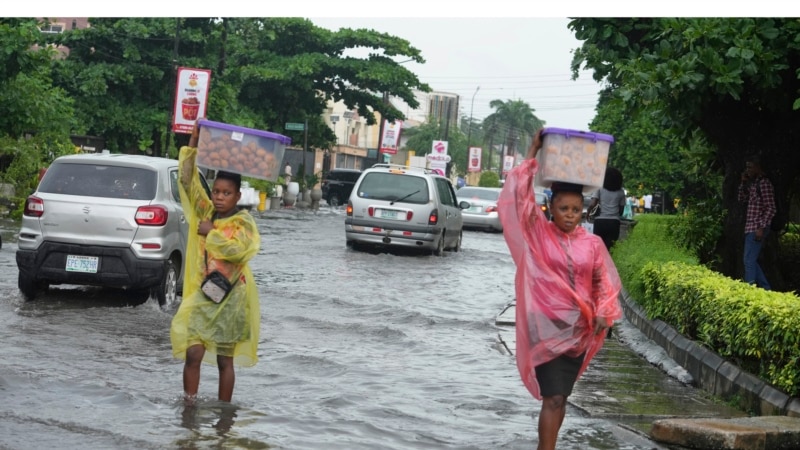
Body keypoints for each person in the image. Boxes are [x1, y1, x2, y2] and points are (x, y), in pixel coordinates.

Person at [497, 129, 622, 450]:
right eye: (564, 209)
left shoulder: (592, 244)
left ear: (584, 211)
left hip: (578, 330)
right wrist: (533, 151)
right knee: (553, 395)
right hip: (546, 326)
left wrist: (605, 310)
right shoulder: (538, 234)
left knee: (561, 395)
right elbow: (520, 198)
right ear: (551, 208)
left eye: (576, 210)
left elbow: (603, 281)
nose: (570, 216)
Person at [171, 124, 262, 404]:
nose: (219, 197)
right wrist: (194, 142)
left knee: (225, 361)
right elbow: (187, 182)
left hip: (232, 299)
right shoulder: (205, 211)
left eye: (226, 193)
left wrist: (211, 233)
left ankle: (224, 415)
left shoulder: (243, 223)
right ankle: (189, 404)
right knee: (193, 352)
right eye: (217, 192)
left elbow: (239, 252)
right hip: (203, 294)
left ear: (237, 196)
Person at [737, 154, 776, 290]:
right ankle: (767, 290)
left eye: (750, 167)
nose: (747, 170)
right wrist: (743, 182)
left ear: (758, 167)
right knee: (750, 261)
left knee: (748, 261)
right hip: (751, 227)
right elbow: (742, 199)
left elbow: (771, 208)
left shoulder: (764, 184)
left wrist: (761, 227)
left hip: (757, 227)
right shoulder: (755, 184)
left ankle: (750, 291)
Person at [588, 167, 627, 250]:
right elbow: (621, 211)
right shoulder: (621, 191)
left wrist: (588, 213)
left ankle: (599, 263)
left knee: (599, 248)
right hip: (614, 223)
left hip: (599, 222)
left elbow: (592, 204)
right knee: (610, 249)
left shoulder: (599, 189)